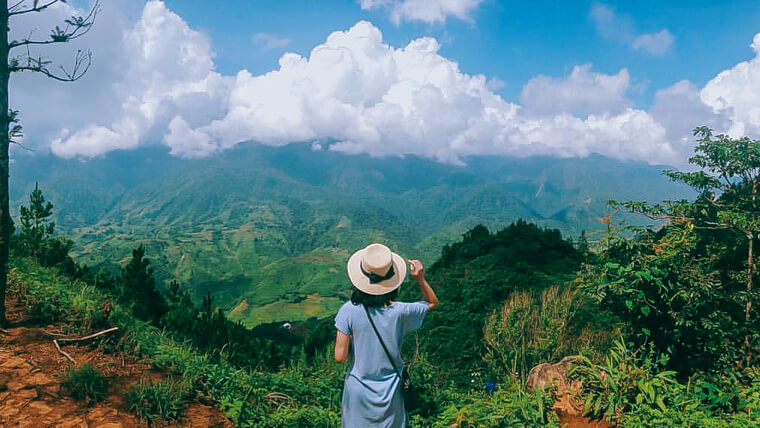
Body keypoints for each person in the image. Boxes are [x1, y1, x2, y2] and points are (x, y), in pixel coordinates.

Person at [334, 243, 439, 428]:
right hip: (391, 392)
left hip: (358, 393)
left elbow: (339, 357)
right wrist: (420, 279)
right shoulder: (401, 311)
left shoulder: (348, 311)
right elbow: (431, 302)